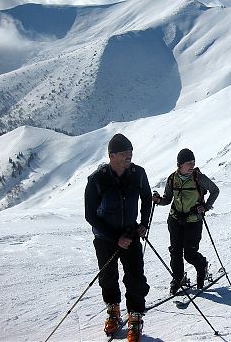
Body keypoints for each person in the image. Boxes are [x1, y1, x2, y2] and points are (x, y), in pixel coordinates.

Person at [84, 133, 152, 342]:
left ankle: (135, 318)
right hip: (105, 238)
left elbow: (147, 198)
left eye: (130, 152)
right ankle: (113, 311)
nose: (129, 156)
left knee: (135, 277)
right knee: (108, 277)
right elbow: (90, 214)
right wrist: (115, 238)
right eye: (124, 153)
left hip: (131, 235)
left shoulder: (138, 174)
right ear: (112, 155)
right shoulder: (97, 179)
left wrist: (143, 224)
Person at [153, 148, 219, 295]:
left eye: (193, 162)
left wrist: (206, 207)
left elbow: (215, 190)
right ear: (179, 165)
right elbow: (168, 199)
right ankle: (178, 278)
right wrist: (158, 201)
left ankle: (202, 266)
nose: (191, 165)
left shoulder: (199, 178)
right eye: (188, 163)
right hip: (175, 219)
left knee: (189, 253)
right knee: (175, 252)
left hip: (193, 220)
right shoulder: (172, 178)